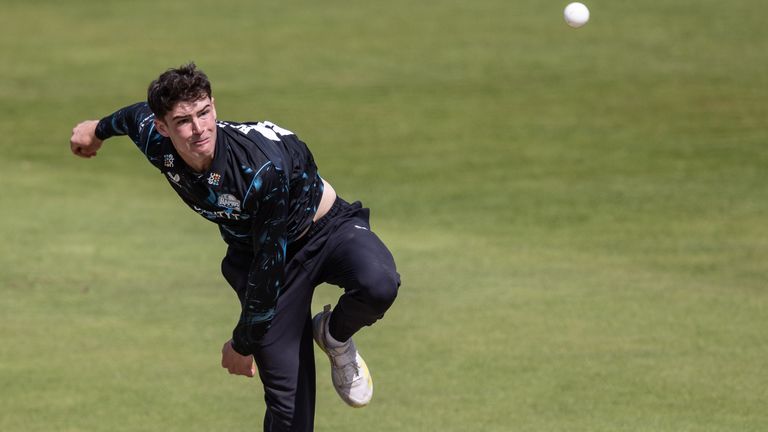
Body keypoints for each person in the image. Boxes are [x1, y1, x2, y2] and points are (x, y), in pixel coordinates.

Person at [69, 63, 400, 431]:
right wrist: (95, 131)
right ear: (162, 126)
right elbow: (133, 117)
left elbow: (269, 268)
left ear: (213, 105)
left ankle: (334, 336)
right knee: (289, 412)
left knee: (379, 284)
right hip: (259, 253)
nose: (198, 129)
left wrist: (242, 343)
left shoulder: (259, 170)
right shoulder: (154, 139)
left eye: (204, 113)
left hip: (326, 231)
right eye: (183, 121)